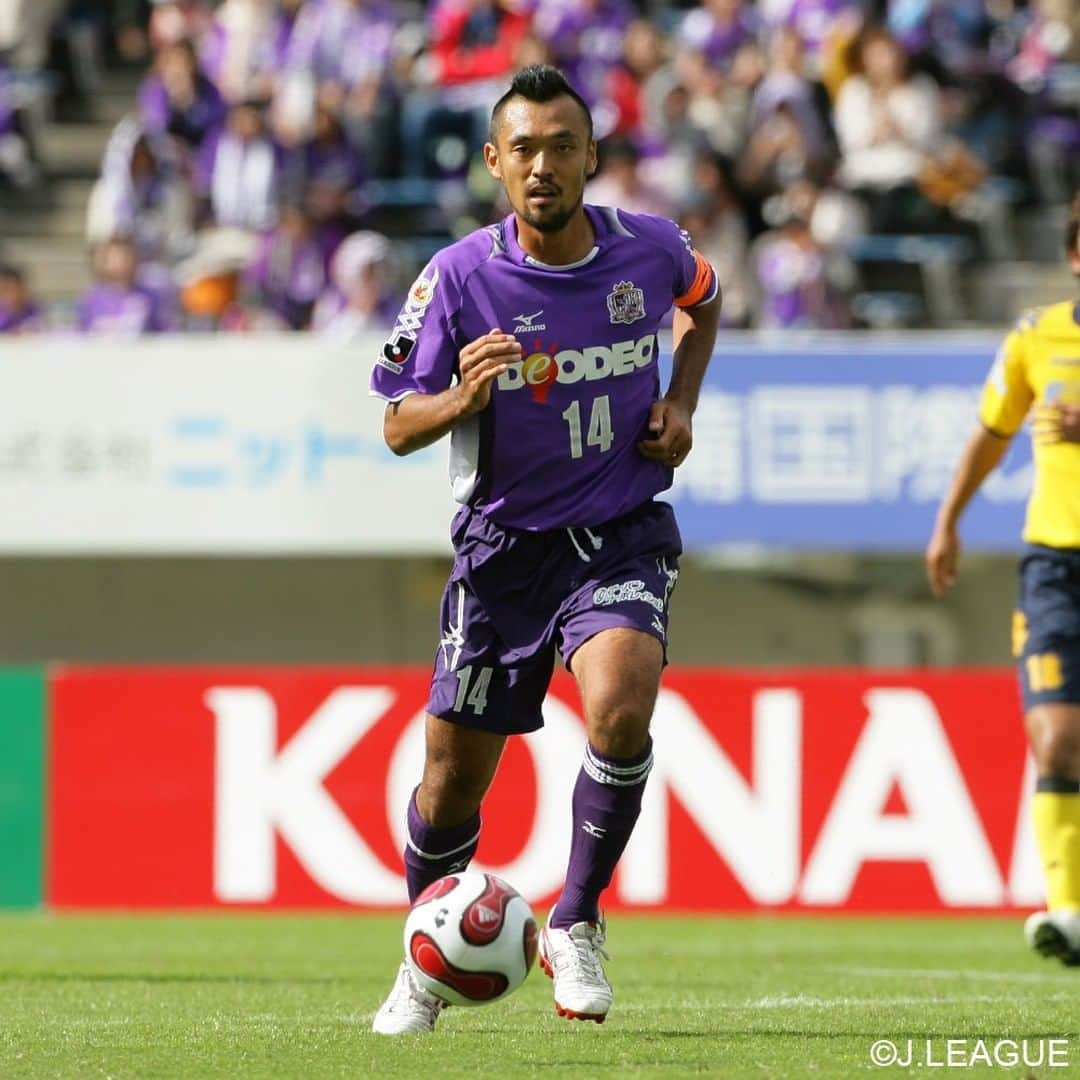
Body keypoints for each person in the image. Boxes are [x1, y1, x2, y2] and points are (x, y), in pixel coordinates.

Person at [369, 64, 720, 1034]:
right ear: (494, 161)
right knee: (449, 786)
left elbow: (705, 299)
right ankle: (421, 955)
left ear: (590, 157)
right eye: (523, 148)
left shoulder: (649, 249)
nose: (543, 165)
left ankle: (577, 920)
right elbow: (399, 425)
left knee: (620, 704)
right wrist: (461, 399)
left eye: (562, 146)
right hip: (501, 554)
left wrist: (681, 400)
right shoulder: (457, 277)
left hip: (618, 533)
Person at [926, 190, 1080, 967]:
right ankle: (1068, 908)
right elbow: (991, 434)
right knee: (1055, 738)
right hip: (1055, 564)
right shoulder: (1036, 337)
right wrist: (949, 519)